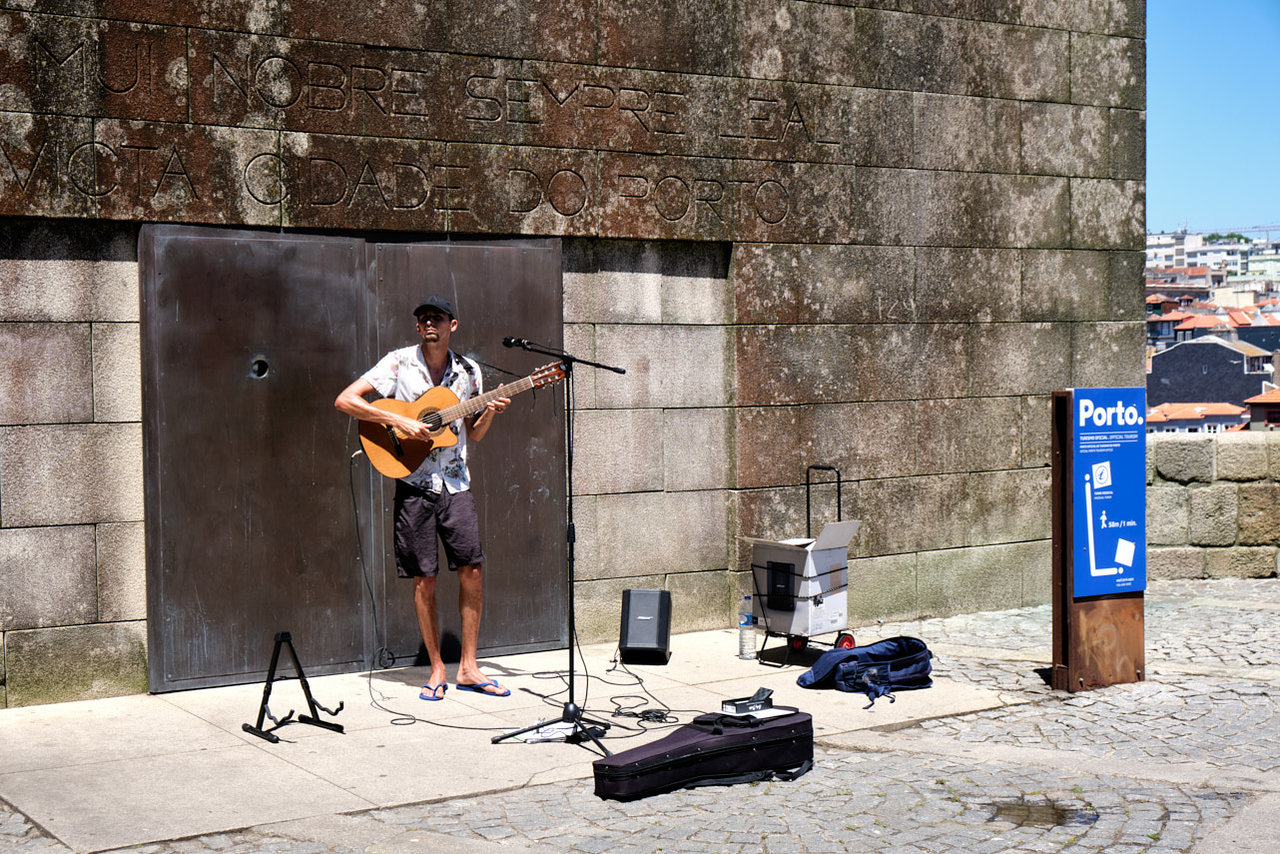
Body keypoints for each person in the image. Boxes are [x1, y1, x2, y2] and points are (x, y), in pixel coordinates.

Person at [334, 295, 511, 700]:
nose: (430, 323)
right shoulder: (398, 363)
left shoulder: (469, 372)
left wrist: (490, 412)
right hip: (414, 485)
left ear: (454, 325)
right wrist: (399, 420)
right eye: (423, 318)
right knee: (423, 579)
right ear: (418, 328)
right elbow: (346, 400)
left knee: (473, 570)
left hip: (456, 484)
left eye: (437, 317)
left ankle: (468, 667)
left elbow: (475, 434)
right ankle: (436, 668)